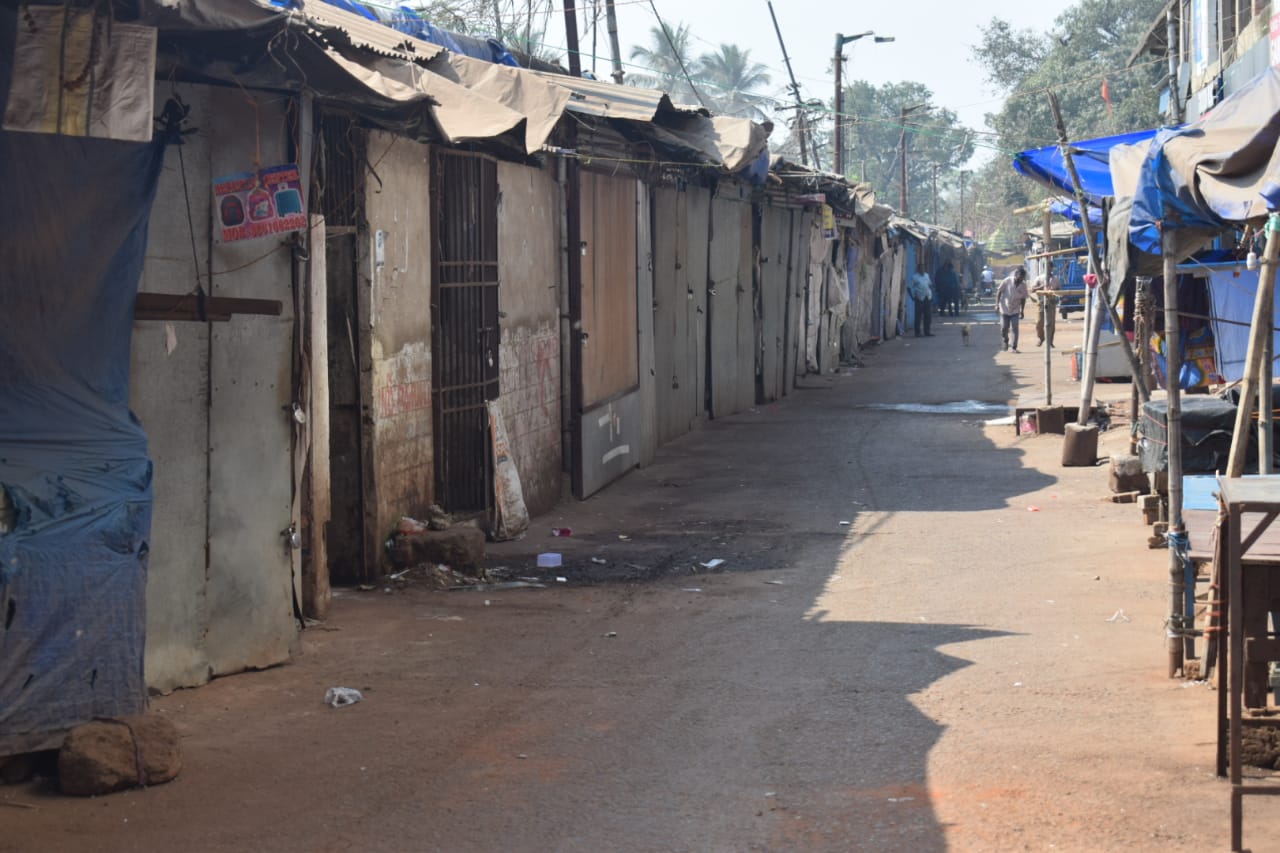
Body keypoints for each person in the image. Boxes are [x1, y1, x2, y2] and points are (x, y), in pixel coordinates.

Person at [997, 267, 1029, 352]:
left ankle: (1014, 347)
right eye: (1020, 277)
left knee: (1015, 328)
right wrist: (997, 304)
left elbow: (1023, 298)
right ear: (1016, 275)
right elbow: (999, 292)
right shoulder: (1007, 281)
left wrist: (1022, 310)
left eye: (1022, 278)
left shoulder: (1023, 285)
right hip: (1004, 308)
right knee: (1004, 328)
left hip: (1015, 309)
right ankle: (1005, 340)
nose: (1021, 279)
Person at [1030, 269, 1059, 347]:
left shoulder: (1056, 280)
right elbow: (1032, 290)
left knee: (1051, 324)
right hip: (1041, 303)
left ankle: (1050, 341)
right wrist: (1041, 287)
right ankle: (1041, 338)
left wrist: (1053, 292)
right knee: (1039, 323)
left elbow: (1059, 290)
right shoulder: (1039, 278)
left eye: (1050, 267)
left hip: (1051, 303)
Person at [908, 265, 934, 337]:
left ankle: (927, 332)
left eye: (923, 268)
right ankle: (917, 333)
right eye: (921, 269)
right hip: (919, 299)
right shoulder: (915, 277)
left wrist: (930, 293)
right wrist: (912, 297)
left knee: (928, 316)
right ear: (918, 269)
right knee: (918, 316)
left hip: (927, 298)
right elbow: (909, 287)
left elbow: (930, 284)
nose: (922, 270)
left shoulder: (926, 275)